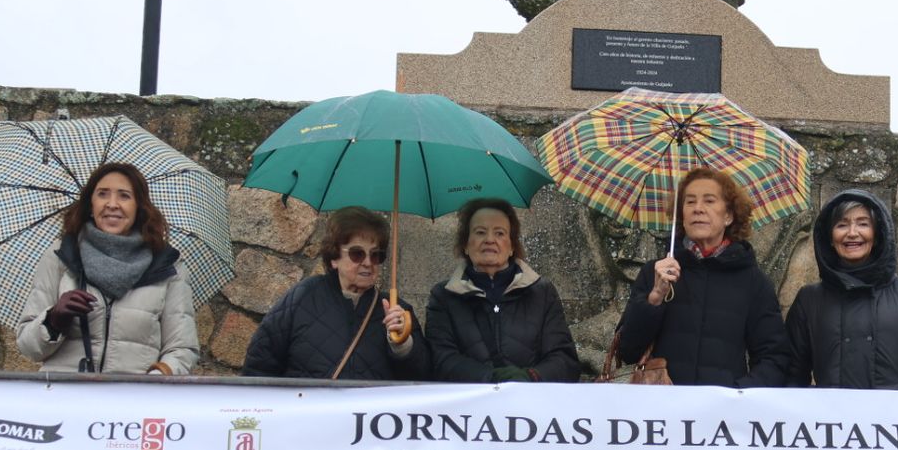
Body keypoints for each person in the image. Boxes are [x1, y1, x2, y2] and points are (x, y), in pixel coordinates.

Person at [16, 161, 199, 375]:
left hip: (132, 402)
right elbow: (28, 347)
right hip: (65, 399)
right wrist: (54, 319)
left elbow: (182, 348)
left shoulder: (167, 265)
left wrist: (153, 381)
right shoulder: (60, 256)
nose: (112, 204)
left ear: (139, 206)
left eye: (124, 195)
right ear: (90, 205)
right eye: (103, 194)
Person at [617, 166, 789, 387]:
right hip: (662, 410)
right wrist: (655, 298)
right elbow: (629, 351)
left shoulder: (754, 282)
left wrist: (737, 394)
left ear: (728, 215)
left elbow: (773, 357)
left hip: (723, 414)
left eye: (709, 201)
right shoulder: (656, 273)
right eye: (689, 202)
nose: (697, 209)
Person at [785, 189, 898, 391]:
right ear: (830, 237)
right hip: (828, 421)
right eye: (842, 225)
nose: (852, 233)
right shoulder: (809, 299)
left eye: (863, 224)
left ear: (877, 234)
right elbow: (789, 379)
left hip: (892, 421)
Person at [242, 207, 427, 380]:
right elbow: (259, 365)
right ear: (334, 258)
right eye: (357, 254)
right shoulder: (302, 297)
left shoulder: (398, 311)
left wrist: (402, 345)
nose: (368, 262)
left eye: (376, 255)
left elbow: (424, 381)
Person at [424, 198, 581, 383]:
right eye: (480, 232)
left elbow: (564, 359)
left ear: (512, 246)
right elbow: (441, 360)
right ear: (465, 244)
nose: (490, 240)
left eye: (499, 233)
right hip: (468, 408)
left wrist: (530, 377)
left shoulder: (542, 293)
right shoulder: (444, 296)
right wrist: (489, 378)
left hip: (529, 406)